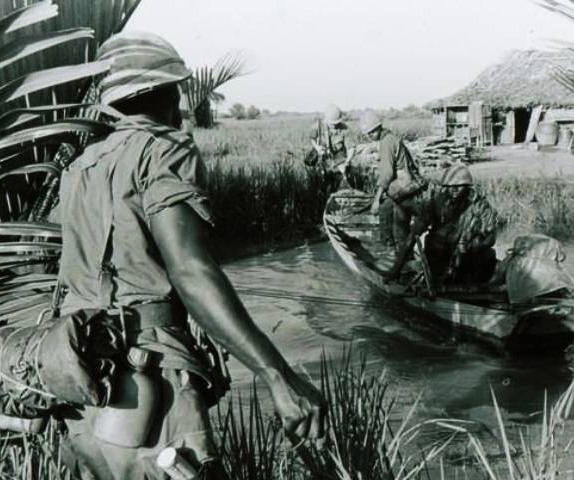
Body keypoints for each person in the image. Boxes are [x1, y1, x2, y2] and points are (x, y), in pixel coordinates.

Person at [56, 31, 325, 480]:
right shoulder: (164, 149)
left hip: (80, 376)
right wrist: (278, 376)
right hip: (148, 374)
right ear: (169, 93)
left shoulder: (80, 167)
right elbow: (189, 270)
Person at [385, 164, 500, 286]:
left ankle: (474, 287)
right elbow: (414, 235)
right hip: (439, 254)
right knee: (440, 273)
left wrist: (474, 246)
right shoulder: (437, 202)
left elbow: (491, 236)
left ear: (467, 186)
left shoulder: (479, 204)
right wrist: (396, 269)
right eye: (450, 186)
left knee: (488, 255)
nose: (454, 189)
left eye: (458, 186)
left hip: (467, 257)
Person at [361, 111, 427, 250]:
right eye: (368, 133)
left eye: (371, 132)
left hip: (405, 185)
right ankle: (389, 245)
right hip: (409, 182)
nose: (369, 136)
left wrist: (376, 200)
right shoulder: (389, 138)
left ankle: (397, 252)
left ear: (378, 128)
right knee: (386, 209)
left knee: (396, 221)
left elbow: (387, 174)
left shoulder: (386, 143)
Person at [305, 104, 356, 191]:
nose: (334, 126)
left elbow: (351, 148)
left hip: (339, 159)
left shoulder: (345, 129)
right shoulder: (319, 126)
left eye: (336, 123)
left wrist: (347, 162)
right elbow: (312, 138)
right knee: (323, 184)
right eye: (332, 123)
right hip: (324, 159)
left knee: (341, 182)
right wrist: (317, 148)